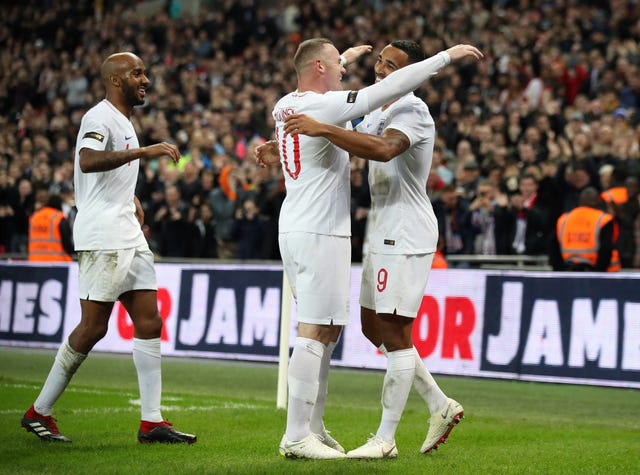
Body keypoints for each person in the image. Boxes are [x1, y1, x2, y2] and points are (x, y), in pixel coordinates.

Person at [279, 40, 477, 459]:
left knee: (395, 333)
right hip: (380, 232)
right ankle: (439, 404)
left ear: (410, 73)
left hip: (406, 232)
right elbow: (339, 119)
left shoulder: (412, 111)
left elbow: (385, 149)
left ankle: (385, 438)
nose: (381, 70)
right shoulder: (376, 110)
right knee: (373, 328)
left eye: (392, 66)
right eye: (381, 62)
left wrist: (325, 128)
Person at [21, 52, 196, 444]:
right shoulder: (99, 117)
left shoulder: (124, 121)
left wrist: (130, 199)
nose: (145, 79)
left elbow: (106, 178)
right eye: (137, 73)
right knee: (93, 326)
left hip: (128, 233)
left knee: (150, 321)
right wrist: (142, 152)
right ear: (115, 80)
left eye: (145, 72)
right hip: (102, 236)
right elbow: (87, 161)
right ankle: (39, 411)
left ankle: (151, 421)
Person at [550, 187, 620, 272]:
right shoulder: (604, 220)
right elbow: (606, 249)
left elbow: (553, 247)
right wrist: (598, 274)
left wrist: (560, 271)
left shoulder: (564, 219)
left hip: (569, 270)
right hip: (595, 271)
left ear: (579, 201)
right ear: (598, 201)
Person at [28, 191, 74, 261]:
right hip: (56, 262)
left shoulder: (34, 217)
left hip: (35, 261)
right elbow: (67, 243)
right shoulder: (59, 218)